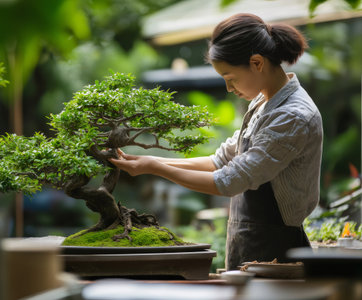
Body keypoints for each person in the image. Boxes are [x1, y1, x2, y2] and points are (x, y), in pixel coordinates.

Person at [109, 13, 323, 270]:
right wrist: (151, 160)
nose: (229, 88)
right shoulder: (263, 103)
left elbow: (228, 181)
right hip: (248, 242)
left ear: (256, 63)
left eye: (230, 77)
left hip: (277, 251)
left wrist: (155, 169)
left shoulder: (291, 115)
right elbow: (219, 161)